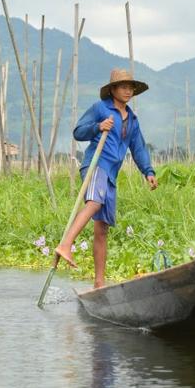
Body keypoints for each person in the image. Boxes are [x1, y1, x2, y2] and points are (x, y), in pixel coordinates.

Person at [55, 68, 158, 287]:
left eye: (130, 87)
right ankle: (66, 244)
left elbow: (138, 148)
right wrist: (98, 126)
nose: (128, 91)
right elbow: (78, 131)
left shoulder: (132, 120)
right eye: (123, 86)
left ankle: (99, 283)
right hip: (95, 165)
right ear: (113, 90)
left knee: (102, 228)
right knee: (94, 202)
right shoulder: (100, 108)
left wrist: (148, 171)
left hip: (111, 174)